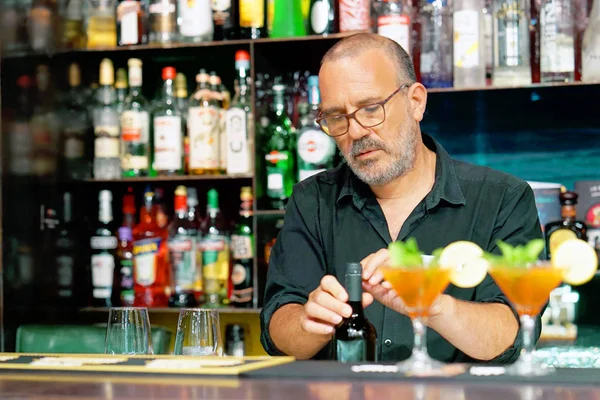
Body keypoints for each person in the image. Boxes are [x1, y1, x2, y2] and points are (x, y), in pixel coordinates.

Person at [260, 33, 543, 363]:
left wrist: (430, 302)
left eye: (370, 109)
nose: (355, 132)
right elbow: (278, 329)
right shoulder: (312, 201)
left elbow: (511, 337)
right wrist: (310, 324)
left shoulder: (502, 199)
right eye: (337, 117)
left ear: (416, 102)